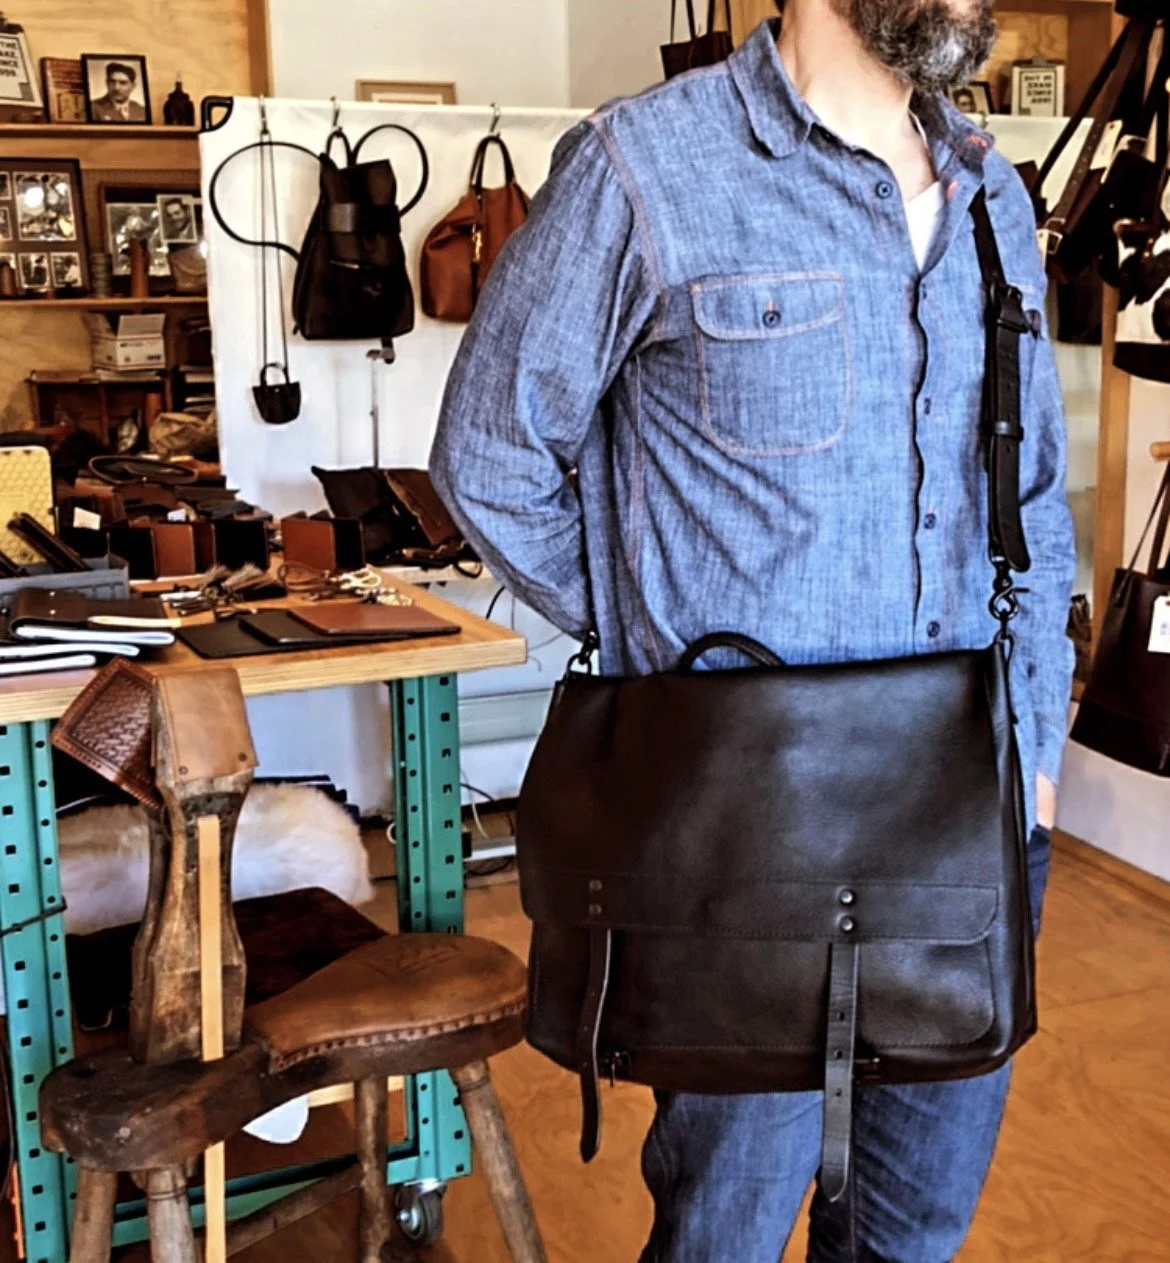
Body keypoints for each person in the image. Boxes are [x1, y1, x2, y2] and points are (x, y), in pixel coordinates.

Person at [430, 0, 1075, 1257]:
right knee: (724, 1228)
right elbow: (492, 454)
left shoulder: (996, 199)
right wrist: (657, 671)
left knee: (912, 1234)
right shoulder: (649, 166)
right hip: (748, 847)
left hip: (970, 819)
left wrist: (1035, 747)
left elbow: (1034, 496)